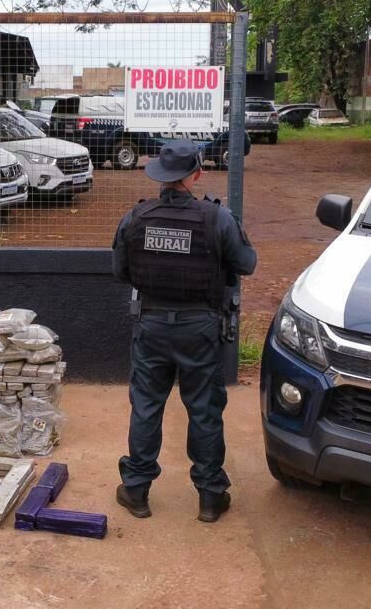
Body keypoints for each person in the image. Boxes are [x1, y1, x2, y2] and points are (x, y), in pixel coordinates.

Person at [111, 138, 257, 522]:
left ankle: (137, 492)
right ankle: (210, 497)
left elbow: (119, 271)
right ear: (197, 173)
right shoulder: (217, 218)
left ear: (161, 175)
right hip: (200, 329)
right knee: (205, 412)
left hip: (152, 326)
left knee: (146, 407)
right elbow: (247, 264)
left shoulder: (137, 217)